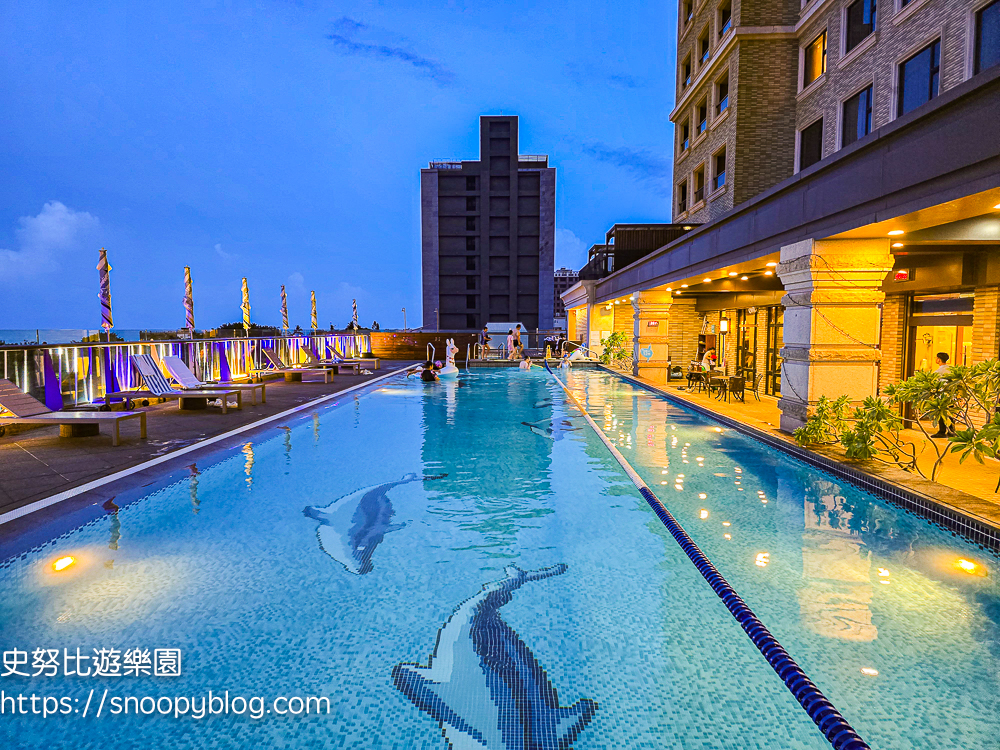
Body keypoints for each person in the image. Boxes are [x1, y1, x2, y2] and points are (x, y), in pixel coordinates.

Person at [932, 352, 955, 438]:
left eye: (936, 358)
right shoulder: (951, 369)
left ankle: (942, 431)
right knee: (950, 413)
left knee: (941, 413)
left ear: (939, 359)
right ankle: (951, 430)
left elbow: (934, 383)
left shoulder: (938, 371)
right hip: (951, 395)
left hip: (941, 395)